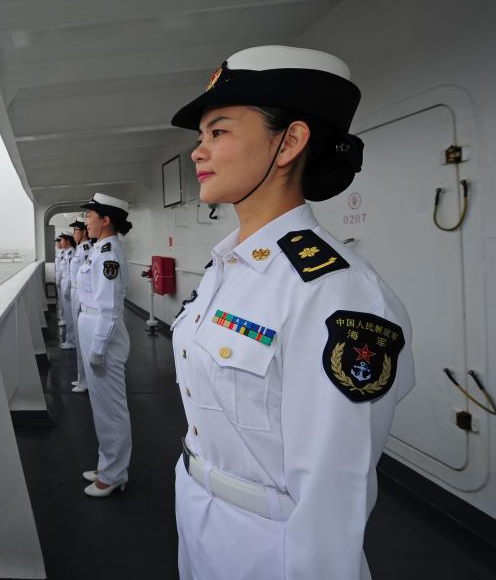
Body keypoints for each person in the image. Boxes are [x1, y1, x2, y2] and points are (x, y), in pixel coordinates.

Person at [168, 45, 415, 580]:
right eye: (200, 137)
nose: (197, 152)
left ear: (290, 142)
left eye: (218, 132)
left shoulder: (335, 292)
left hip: (269, 546)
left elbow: (334, 495)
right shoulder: (226, 266)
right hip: (197, 509)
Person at [75, 193, 134, 498]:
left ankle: (114, 474)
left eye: (90, 216)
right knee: (101, 405)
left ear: (106, 220)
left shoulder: (109, 253)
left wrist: (98, 348)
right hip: (92, 326)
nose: (86, 222)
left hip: (103, 333)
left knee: (111, 407)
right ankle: (107, 463)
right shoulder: (99, 249)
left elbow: (109, 308)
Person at [68, 219, 93, 393]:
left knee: (81, 339)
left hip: (80, 293)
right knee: (78, 338)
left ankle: (85, 381)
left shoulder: (86, 250)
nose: (74, 234)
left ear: (84, 232)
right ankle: (81, 377)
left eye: (76, 231)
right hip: (75, 292)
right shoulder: (79, 249)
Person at [59, 234, 77, 351]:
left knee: (70, 314)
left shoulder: (71, 253)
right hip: (64, 281)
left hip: (68, 283)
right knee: (67, 311)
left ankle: (72, 341)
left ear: (68, 241)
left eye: (62, 240)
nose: (60, 242)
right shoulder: (66, 252)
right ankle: (70, 339)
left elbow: (71, 273)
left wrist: (68, 287)